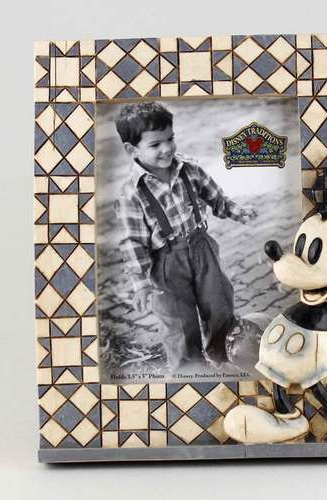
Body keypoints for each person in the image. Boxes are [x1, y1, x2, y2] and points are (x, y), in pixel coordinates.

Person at [114, 102, 258, 369]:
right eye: (155, 144)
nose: (167, 148)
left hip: (202, 248)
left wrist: (237, 212)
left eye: (170, 139)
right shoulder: (131, 194)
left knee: (219, 304)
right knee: (178, 324)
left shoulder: (189, 168)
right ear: (132, 150)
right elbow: (133, 243)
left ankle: (224, 358)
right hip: (165, 263)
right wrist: (141, 284)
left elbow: (216, 197)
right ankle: (188, 371)